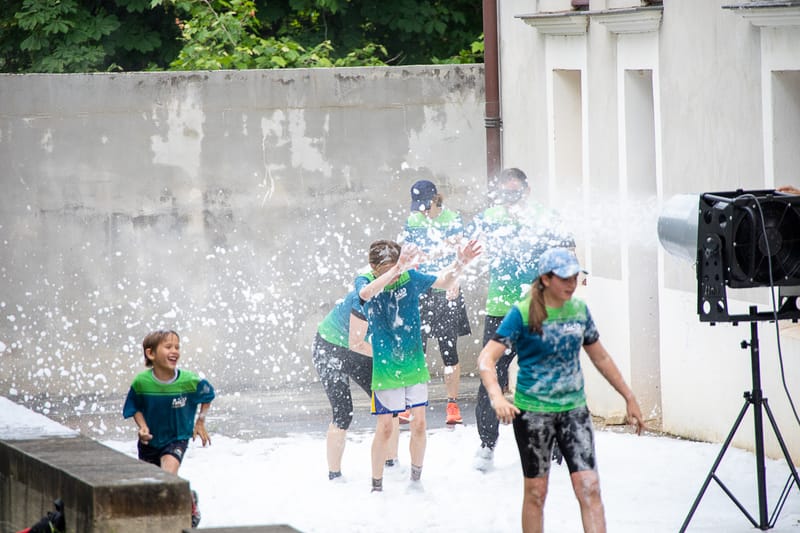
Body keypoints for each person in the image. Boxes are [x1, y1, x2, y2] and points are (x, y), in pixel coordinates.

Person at [478, 247, 644, 533]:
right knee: (536, 492)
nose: (572, 284)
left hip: (573, 411)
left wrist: (629, 396)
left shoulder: (579, 311)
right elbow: (486, 358)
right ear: (545, 278)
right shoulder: (522, 312)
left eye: (575, 277)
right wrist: (496, 397)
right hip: (533, 414)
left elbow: (600, 356)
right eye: (565, 278)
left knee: (589, 486)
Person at [469, 167, 574, 470]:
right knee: (491, 371)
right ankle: (487, 445)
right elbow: (466, 248)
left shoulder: (544, 216)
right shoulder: (489, 218)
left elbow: (566, 247)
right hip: (501, 308)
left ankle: (553, 444)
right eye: (505, 193)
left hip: (538, 306)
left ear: (527, 191)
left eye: (515, 192)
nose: (510, 198)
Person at [356, 238, 481, 492]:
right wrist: (396, 269)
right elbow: (365, 294)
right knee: (387, 427)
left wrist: (460, 264)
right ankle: (377, 486)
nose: (393, 276)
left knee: (420, 423)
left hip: (414, 363)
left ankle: (416, 480)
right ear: (372, 266)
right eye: (387, 270)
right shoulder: (365, 279)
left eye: (396, 267)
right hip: (386, 367)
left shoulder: (410, 277)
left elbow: (444, 281)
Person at [123, 329, 215, 528]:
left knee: (167, 475)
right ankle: (187, 496)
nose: (175, 351)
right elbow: (135, 407)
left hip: (177, 437)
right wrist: (143, 427)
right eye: (168, 347)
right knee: (155, 485)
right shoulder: (141, 382)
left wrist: (200, 422)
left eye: (177, 347)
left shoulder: (189, 380)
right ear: (151, 354)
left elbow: (208, 395)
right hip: (150, 440)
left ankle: (185, 508)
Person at [401, 179, 471, 425]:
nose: (421, 210)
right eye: (417, 205)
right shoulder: (412, 221)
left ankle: (452, 404)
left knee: (448, 349)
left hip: (446, 289)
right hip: (420, 289)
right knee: (415, 348)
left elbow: (459, 253)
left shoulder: (452, 219)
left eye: (425, 205)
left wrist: (455, 281)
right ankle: (409, 404)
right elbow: (407, 254)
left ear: (435, 199)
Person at [312, 289, 400, 479]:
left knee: (390, 404)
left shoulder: (397, 298)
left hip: (359, 350)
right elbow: (357, 344)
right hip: (329, 349)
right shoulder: (367, 296)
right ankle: (334, 476)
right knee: (343, 413)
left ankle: (392, 463)